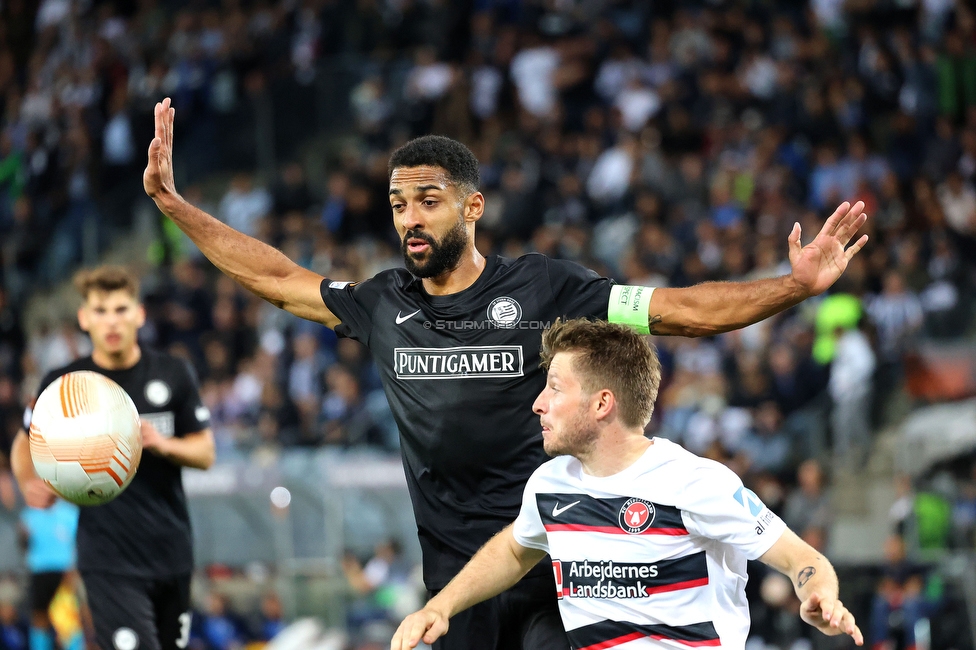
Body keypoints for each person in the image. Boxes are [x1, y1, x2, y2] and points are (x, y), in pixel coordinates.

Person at [143, 97, 868, 649]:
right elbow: (276, 277)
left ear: (473, 206)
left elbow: (681, 310)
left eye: (428, 201)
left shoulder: (544, 289)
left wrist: (791, 287)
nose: (410, 221)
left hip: (563, 565)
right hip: (458, 579)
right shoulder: (380, 304)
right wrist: (176, 208)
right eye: (399, 205)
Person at [392, 319, 863, 649]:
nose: (538, 403)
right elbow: (516, 550)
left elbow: (803, 559)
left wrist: (817, 594)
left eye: (555, 387)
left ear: (602, 404)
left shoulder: (694, 483)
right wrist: (443, 606)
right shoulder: (551, 484)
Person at [9, 265, 216, 650]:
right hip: (108, 558)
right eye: (101, 311)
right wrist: (27, 481)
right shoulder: (65, 385)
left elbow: (205, 452)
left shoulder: (172, 373)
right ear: (84, 319)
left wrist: (161, 444)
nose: (112, 321)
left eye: (121, 309)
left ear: (139, 314)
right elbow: (23, 439)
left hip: (172, 551)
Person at [17, 497, 81, 650]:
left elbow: (77, 543)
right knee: (40, 617)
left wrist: (74, 570)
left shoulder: (70, 512)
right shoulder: (29, 514)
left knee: (69, 618)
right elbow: (23, 544)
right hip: (39, 571)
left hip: (65, 572)